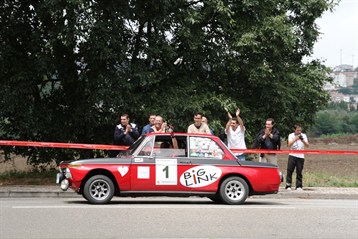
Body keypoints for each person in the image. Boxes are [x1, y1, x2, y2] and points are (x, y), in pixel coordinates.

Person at [285, 124, 309, 191]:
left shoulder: (304, 135)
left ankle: (299, 185)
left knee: (299, 171)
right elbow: (289, 145)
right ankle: (288, 185)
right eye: (298, 130)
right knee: (289, 170)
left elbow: (307, 145)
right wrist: (295, 139)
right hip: (292, 155)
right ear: (294, 130)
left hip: (301, 156)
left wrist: (302, 140)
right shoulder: (291, 135)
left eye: (300, 130)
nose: (299, 132)